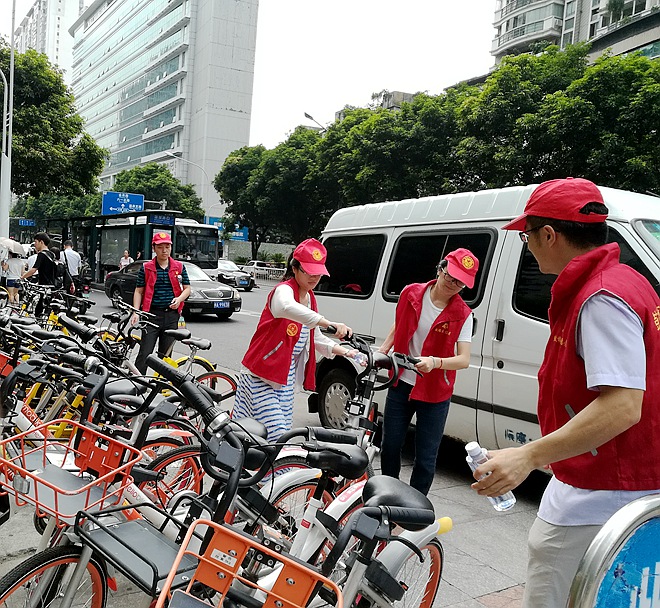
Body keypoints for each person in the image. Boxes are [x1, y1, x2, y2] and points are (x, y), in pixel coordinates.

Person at [471, 177, 660, 608]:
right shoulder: (626, 280)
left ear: (549, 235)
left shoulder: (601, 297)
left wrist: (527, 456)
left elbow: (623, 405)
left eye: (526, 236)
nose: (527, 246)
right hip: (617, 482)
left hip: (602, 491)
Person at [378, 248, 479, 495]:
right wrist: (383, 351)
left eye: (460, 283)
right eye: (451, 276)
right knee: (390, 445)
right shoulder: (410, 293)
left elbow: (464, 359)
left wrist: (435, 362)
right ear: (440, 269)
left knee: (425, 458)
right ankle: (387, 496)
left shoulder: (463, 315)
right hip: (402, 382)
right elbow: (399, 324)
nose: (453, 284)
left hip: (435, 393)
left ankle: (414, 509)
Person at [232, 238, 356, 440]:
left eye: (318, 272)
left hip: (284, 379)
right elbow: (286, 307)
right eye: (309, 271)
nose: (314, 277)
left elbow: (313, 337)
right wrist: (327, 322)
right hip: (261, 376)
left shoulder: (310, 298)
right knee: (277, 435)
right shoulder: (284, 290)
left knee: (264, 439)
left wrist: (347, 352)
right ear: (295, 268)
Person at [131, 232, 191, 374]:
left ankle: (159, 383)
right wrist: (136, 312)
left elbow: (187, 289)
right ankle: (137, 382)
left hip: (171, 316)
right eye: (160, 247)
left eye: (167, 247)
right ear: (154, 248)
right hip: (151, 316)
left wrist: (179, 299)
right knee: (145, 353)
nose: (164, 250)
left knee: (165, 356)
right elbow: (139, 291)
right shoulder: (146, 267)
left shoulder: (179, 267)